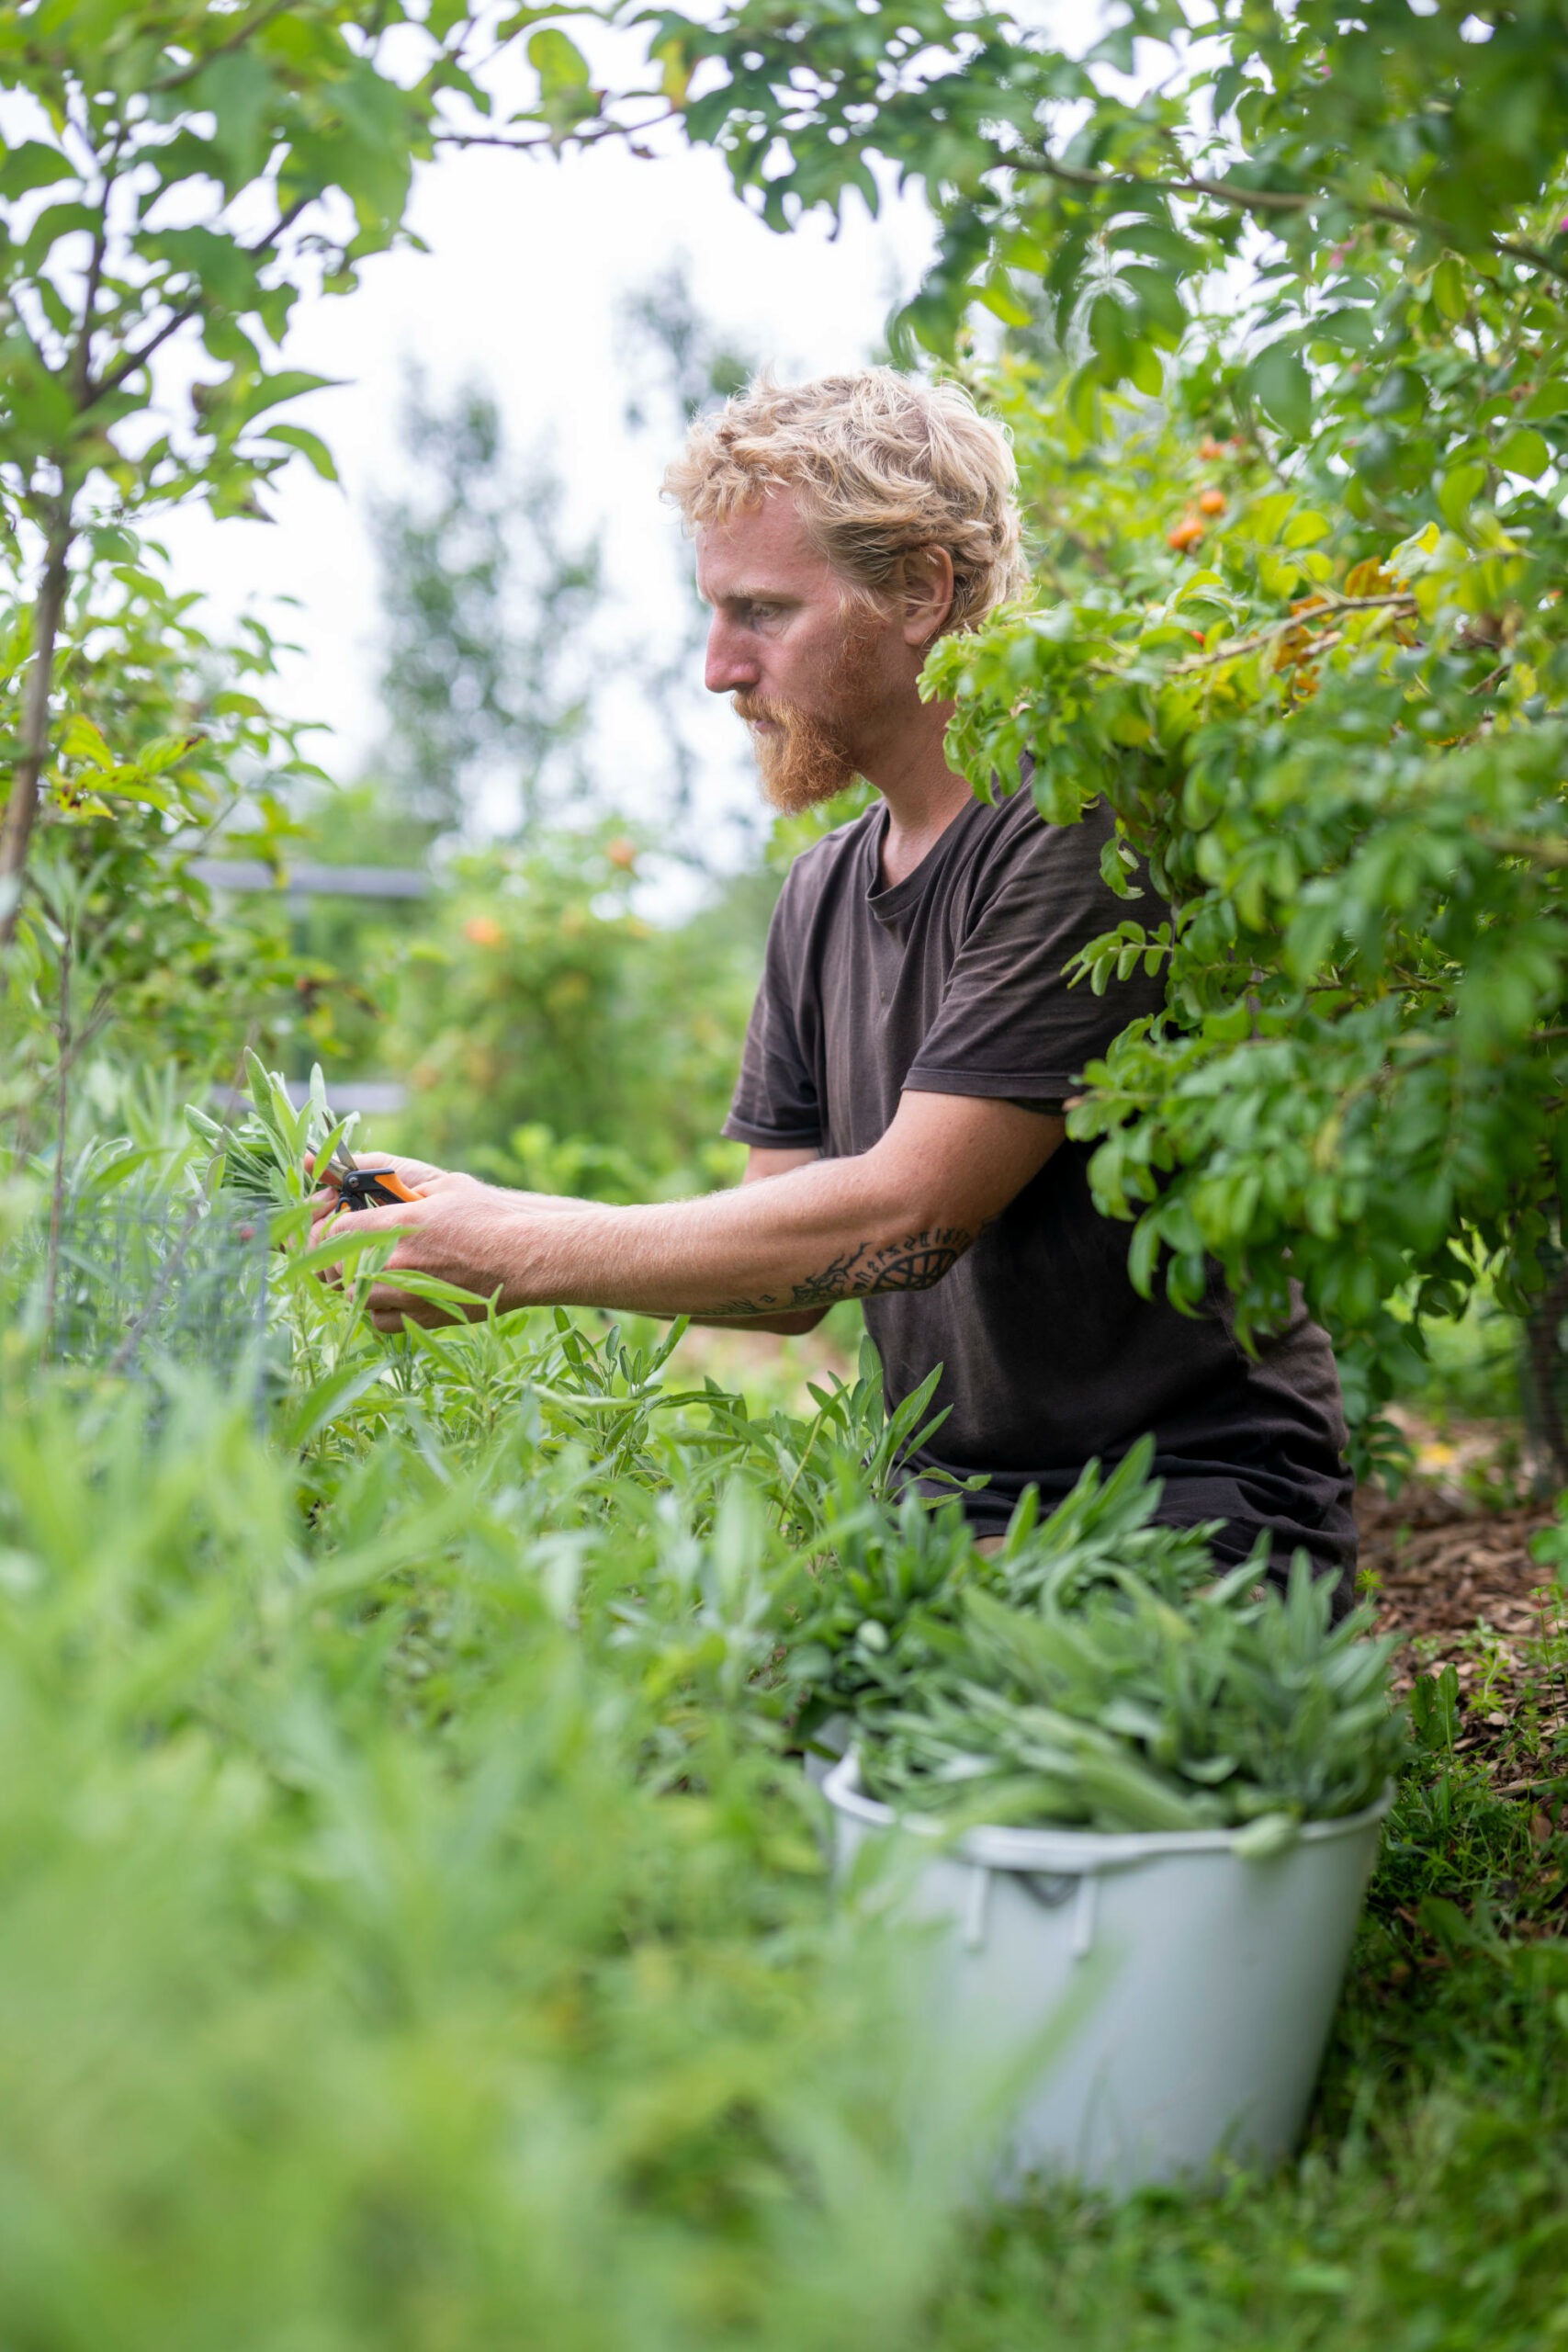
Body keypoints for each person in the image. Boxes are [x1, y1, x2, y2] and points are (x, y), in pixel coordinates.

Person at [313, 368, 1356, 1589]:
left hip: (1188, 1511)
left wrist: (511, 1253)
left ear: (920, 589)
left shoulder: (1079, 833)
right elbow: (783, 1287)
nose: (716, 669)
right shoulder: (819, 897)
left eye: (762, 612)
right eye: (714, 613)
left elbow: (902, 1218)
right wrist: (481, 1215)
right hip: (943, 1516)